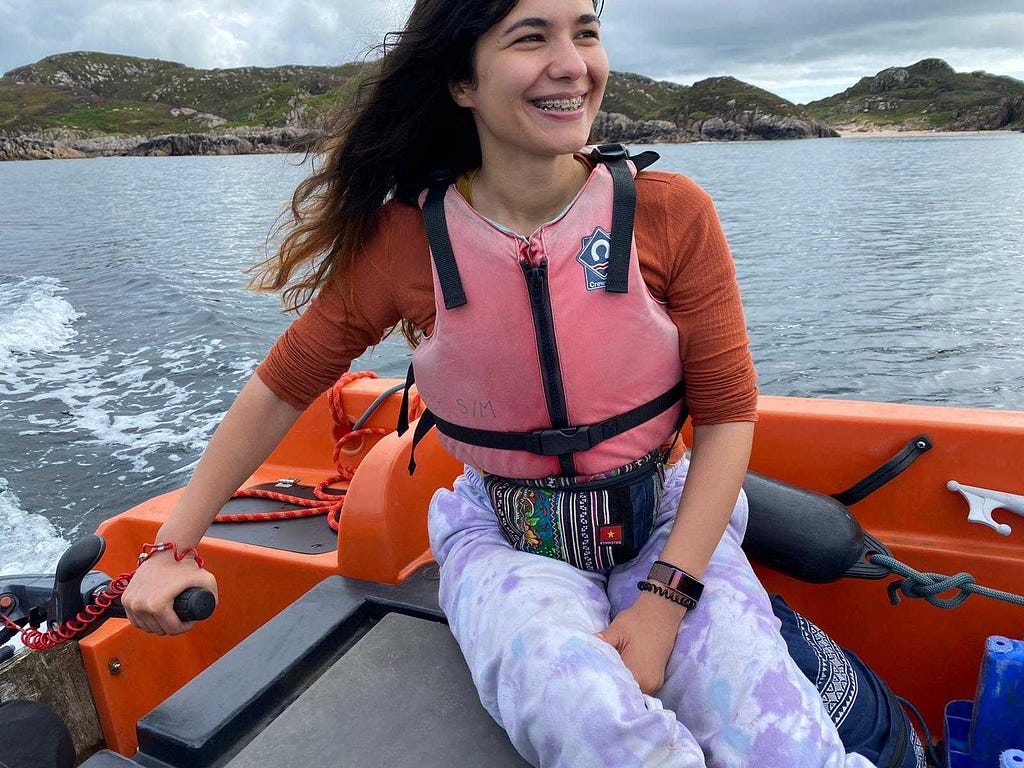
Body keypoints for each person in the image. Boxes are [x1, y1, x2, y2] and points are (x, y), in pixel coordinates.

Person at [122, 1, 909, 765]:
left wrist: (667, 599)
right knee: (592, 724)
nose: (572, 66)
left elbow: (730, 416)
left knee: (785, 744)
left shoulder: (672, 213)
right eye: (531, 38)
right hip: (504, 535)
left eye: (587, 33)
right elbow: (282, 388)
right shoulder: (403, 245)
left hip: (666, 518)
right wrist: (172, 545)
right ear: (462, 81)